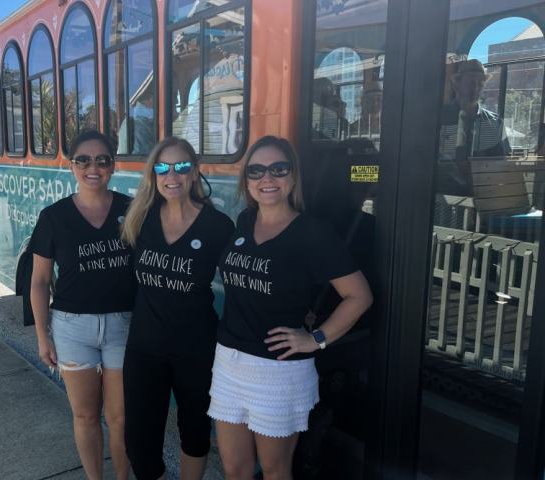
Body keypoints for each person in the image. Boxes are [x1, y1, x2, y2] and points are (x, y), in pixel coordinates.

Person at [208, 136, 373, 480]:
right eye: (256, 171)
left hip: (277, 372)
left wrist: (316, 339)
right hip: (228, 363)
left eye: (278, 169)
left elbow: (359, 296)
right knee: (234, 469)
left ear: (293, 177)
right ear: (247, 180)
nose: (267, 178)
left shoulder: (313, 234)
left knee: (275, 471)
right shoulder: (243, 222)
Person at [120, 137, 234, 480]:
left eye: (182, 166)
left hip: (196, 347)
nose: (173, 175)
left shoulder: (218, 227)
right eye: (163, 167)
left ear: (195, 173)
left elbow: (241, 281)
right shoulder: (140, 219)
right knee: (139, 437)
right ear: (153, 174)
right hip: (144, 347)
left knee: (195, 430)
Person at [30, 130, 136, 480]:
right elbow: (40, 281)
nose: (94, 168)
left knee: (120, 418)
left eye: (102, 160)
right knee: (86, 416)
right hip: (72, 327)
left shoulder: (132, 210)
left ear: (113, 166)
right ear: (71, 165)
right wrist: (44, 336)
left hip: (123, 324)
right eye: (84, 160)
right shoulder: (53, 217)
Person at [438, 58, 511, 196]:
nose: (476, 88)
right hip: (443, 196)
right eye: (471, 83)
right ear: (457, 85)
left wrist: (478, 168)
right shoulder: (439, 119)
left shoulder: (495, 123)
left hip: (482, 197)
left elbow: (502, 163)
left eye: (480, 83)